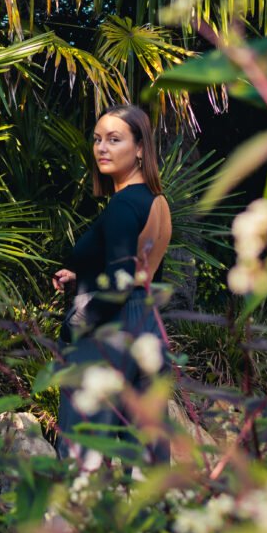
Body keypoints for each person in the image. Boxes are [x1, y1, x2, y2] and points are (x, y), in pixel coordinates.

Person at [52, 105, 172, 464]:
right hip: (146, 326)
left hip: (109, 328)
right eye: (98, 139)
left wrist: (75, 324)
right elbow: (141, 270)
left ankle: (79, 521)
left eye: (115, 139)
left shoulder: (121, 206)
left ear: (139, 148)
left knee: (82, 450)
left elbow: (119, 283)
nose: (102, 148)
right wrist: (82, 274)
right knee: (147, 456)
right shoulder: (155, 201)